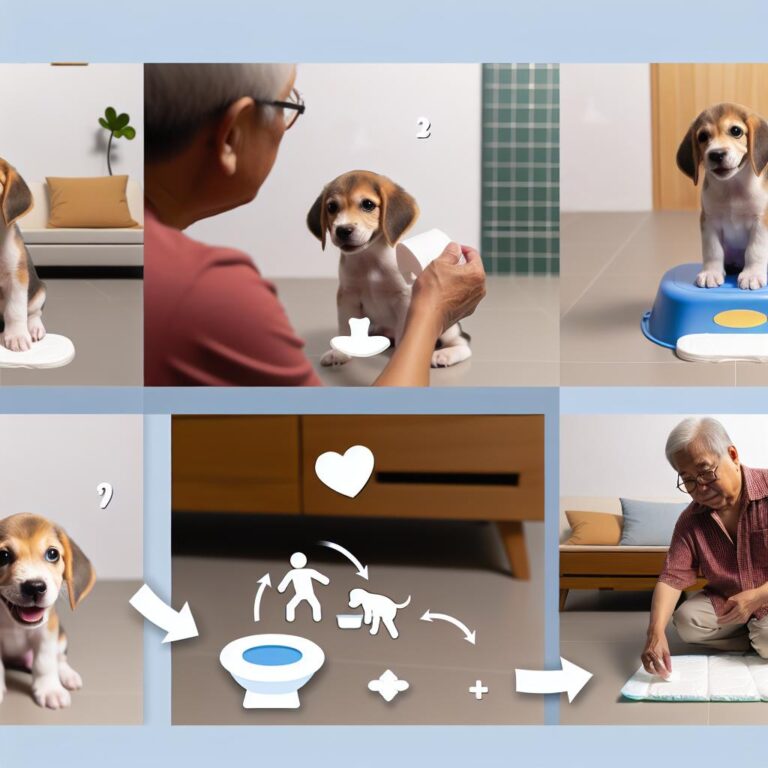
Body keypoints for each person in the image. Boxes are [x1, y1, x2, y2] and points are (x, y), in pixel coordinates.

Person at [143, 64, 486, 386]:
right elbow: (358, 434)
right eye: (286, 104)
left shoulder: (147, 263)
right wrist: (432, 306)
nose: (285, 124)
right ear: (233, 132)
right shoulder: (216, 292)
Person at [641, 417, 768, 679]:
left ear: (732, 455)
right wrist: (655, 633)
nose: (700, 488)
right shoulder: (691, 519)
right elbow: (671, 578)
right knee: (687, 622)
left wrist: (757, 597)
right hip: (728, 600)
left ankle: (760, 634)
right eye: (687, 480)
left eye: (706, 472)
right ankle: (755, 636)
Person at [277, 552, 330, 623]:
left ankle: (291, 618)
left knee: (290, 605)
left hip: (303, 594)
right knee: (315, 605)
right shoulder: (307, 571)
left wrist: (281, 588)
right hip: (305, 594)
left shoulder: (292, 573)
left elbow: (282, 587)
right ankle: (317, 618)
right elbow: (325, 580)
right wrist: (325, 581)